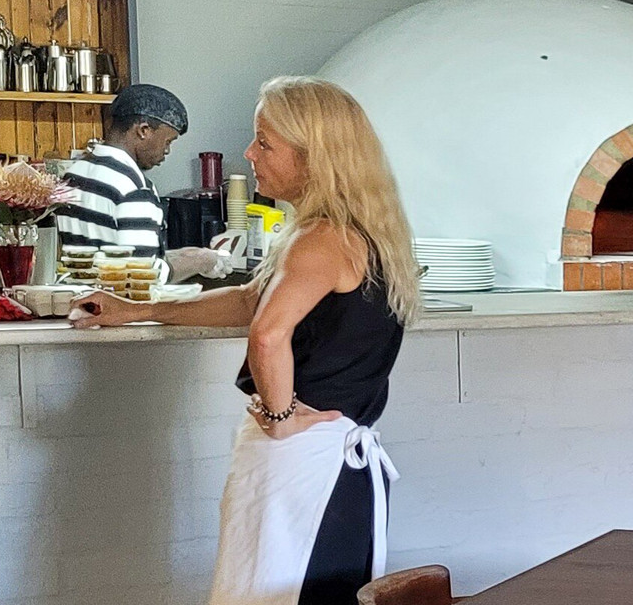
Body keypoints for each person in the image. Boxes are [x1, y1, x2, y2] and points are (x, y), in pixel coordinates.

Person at [68, 76, 421, 605]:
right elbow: (248, 301)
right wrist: (139, 310)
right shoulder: (340, 231)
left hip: (309, 461)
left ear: (313, 156)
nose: (250, 153)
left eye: (265, 142)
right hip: (320, 458)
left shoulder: (323, 238)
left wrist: (281, 417)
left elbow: (268, 332)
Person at [56, 83, 231, 283]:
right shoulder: (134, 188)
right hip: (116, 301)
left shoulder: (75, 173)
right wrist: (202, 261)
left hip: (77, 296)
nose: (167, 151)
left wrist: (188, 255)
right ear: (143, 130)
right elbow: (144, 275)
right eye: (168, 141)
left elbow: (114, 254)